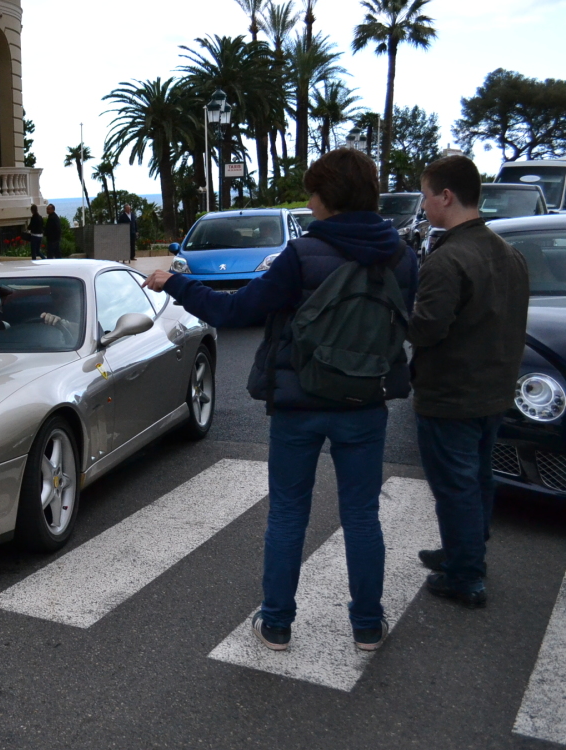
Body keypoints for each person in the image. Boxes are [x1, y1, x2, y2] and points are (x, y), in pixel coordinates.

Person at [145, 149, 418, 653]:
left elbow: (236, 309)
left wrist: (175, 282)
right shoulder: (402, 256)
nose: (310, 202)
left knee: (289, 513)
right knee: (361, 516)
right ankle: (366, 627)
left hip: (300, 401)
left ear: (326, 198)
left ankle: (276, 624)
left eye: (314, 192)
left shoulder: (302, 255)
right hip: (365, 401)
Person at [410, 155, 530, 609]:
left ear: (446, 196)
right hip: (494, 390)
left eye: (425, 196)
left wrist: (400, 317)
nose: (423, 206)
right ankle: (466, 551)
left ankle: (465, 575)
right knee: (478, 478)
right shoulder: (510, 254)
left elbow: (426, 328)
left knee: (454, 484)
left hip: (450, 393)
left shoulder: (448, 259)